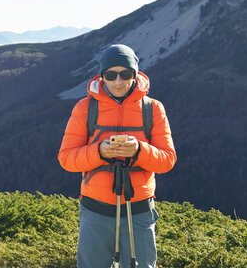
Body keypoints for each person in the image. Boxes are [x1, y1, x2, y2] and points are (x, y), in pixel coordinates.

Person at [58, 44, 176, 268]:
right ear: (102, 77)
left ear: (135, 74)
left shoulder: (153, 109)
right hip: (96, 210)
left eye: (126, 74)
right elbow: (66, 158)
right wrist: (99, 152)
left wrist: (140, 150)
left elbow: (167, 159)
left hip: (139, 209)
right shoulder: (85, 108)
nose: (118, 82)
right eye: (111, 75)